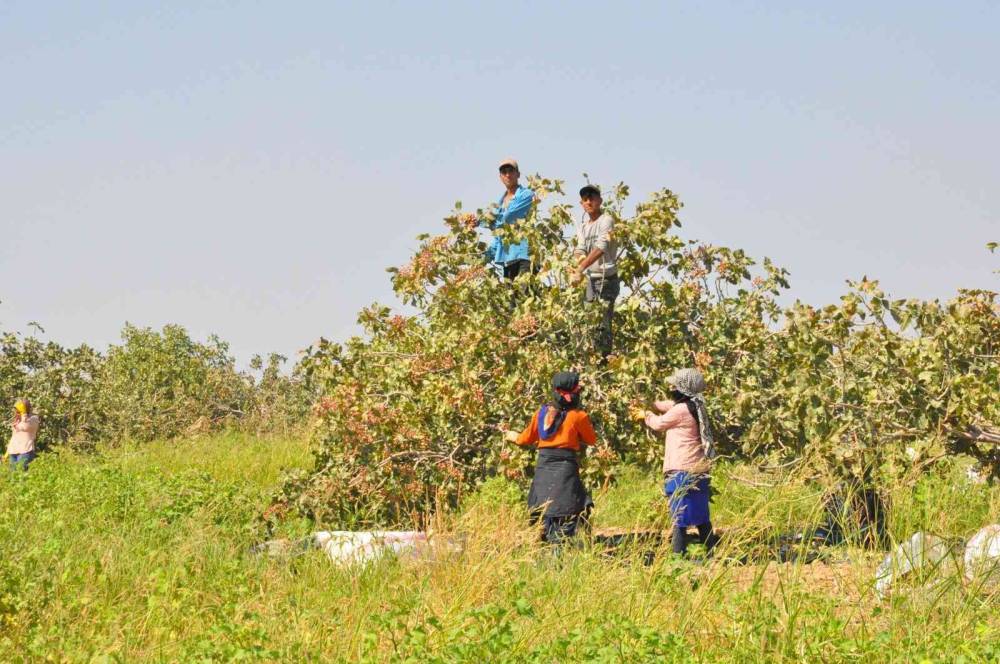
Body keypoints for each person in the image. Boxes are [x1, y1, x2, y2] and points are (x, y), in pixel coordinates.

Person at [505, 371, 596, 543]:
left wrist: (512, 436)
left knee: (545, 518)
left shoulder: (541, 414)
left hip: (543, 472)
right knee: (566, 518)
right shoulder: (578, 416)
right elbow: (591, 440)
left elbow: (524, 439)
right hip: (566, 473)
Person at [635, 368, 717, 556]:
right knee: (701, 514)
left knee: (679, 516)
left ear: (683, 388)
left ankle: (677, 555)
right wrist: (651, 403)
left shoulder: (680, 410)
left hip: (682, 469)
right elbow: (667, 405)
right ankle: (711, 553)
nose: (671, 388)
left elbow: (658, 423)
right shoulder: (696, 405)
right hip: (698, 469)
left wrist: (645, 414)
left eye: (674, 385)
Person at [571, 184, 619, 357]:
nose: (589, 201)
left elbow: (602, 247)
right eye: (585, 199)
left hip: (607, 279)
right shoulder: (584, 227)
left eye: (592, 197)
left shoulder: (606, 220)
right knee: (589, 321)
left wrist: (581, 268)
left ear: (600, 200)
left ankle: (604, 360)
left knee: (603, 323)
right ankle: (593, 358)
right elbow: (580, 249)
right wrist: (577, 265)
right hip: (591, 280)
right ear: (581, 203)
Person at [483, 158, 537, 280]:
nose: (507, 175)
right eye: (504, 172)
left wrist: (483, 221)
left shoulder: (526, 194)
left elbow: (508, 217)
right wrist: (482, 260)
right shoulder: (500, 204)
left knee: (526, 294)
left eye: (511, 171)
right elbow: (498, 238)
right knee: (511, 298)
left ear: (518, 174)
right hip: (508, 260)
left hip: (525, 257)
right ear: (500, 177)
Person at [6, 398, 40, 472]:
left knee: (21, 474)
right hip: (13, 451)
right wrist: (7, 452)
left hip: (25, 451)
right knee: (13, 477)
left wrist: (24, 413)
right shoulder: (17, 420)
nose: (17, 412)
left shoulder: (33, 419)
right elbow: (14, 436)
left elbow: (25, 427)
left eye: (19, 409)